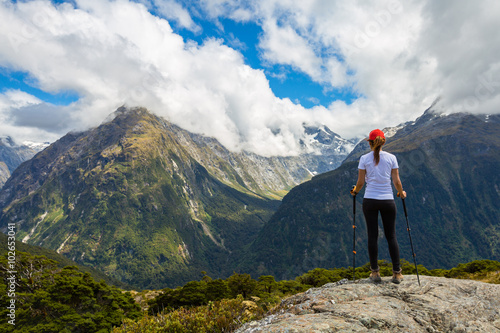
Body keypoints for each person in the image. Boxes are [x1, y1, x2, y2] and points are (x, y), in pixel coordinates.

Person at [350, 129, 406, 284]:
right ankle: (397, 273)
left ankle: (375, 273)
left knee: (372, 236)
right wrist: (401, 193)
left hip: (370, 201)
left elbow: (361, 182)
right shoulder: (392, 158)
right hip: (388, 200)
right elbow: (397, 182)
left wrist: (355, 191)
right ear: (383, 142)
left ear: (370, 142)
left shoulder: (364, 159)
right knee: (391, 236)